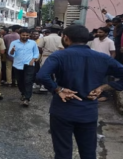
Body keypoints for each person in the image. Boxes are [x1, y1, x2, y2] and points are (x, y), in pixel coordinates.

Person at [36, 25, 123, 159]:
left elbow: (42, 75)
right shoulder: (102, 57)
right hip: (88, 112)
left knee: (62, 152)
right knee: (88, 152)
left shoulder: (59, 56)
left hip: (62, 110)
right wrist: (104, 87)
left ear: (66, 38)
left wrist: (58, 89)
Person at [8, 29, 39, 107]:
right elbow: (10, 54)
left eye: (27, 35)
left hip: (29, 65)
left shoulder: (33, 43)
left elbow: (36, 53)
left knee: (28, 81)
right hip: (17, 65)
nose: (25, 37)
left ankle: (27, 98)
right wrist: (12, 50)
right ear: (20, 35)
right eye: (23, 35)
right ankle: (23, 93)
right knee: (19, 81)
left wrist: (33, 60)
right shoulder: (14, 43)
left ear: (29, 35)